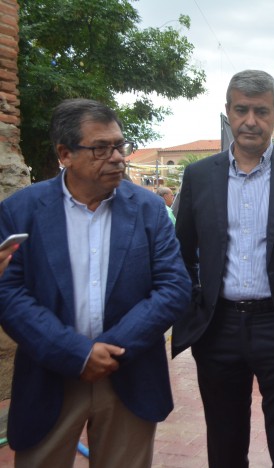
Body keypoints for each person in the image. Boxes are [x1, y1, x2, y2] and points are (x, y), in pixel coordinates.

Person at [0, 98, 191, 467]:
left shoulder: (148, 209)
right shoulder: (21, 210)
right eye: (101, 148)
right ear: (65, 154)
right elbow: (9, 294)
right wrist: (76, 353)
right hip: (50, 374)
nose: (117, 157)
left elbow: (173, 287)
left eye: (120, 145)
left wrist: (109, 349)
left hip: (128, 373)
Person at [171, 69, 274, 468]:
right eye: (241, 109)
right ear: (228, 112)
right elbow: (181, 250)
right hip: (218, 328)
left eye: (261, 111)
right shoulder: (198, 176)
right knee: (224, 442)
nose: (250, 121)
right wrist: (195, 303)